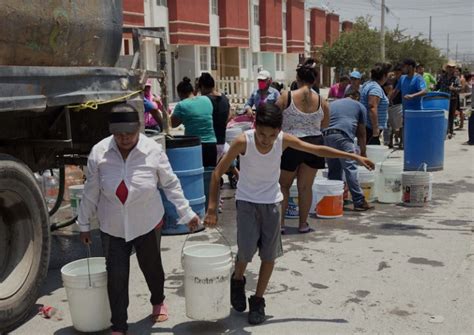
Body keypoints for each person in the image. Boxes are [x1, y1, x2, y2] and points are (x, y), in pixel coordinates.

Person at [203, 103, 374, 325]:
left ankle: (258, 300)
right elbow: (217, 173)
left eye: (272, 135)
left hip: (272, 204)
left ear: (279, 131)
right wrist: (211, 209)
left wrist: (353, 156)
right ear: (255, 127)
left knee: (269, 255)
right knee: (245, 251)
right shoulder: (243, 141)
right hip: (246, 203)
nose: (266, 140)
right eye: (262, 134)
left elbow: (317, 150)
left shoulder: (283, 140)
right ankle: (237, 279)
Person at [78, 103, 200, 335]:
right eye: (118, 134)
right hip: (112, 224)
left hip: (147, 221)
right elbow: (90, 191)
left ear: (138, 129)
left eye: (129, 134)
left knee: (152, 266)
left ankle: (158, 300)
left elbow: (170, 184)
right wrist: (84, 224)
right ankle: (119, 325)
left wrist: (187, 213)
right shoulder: (99, 153)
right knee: (116, 275)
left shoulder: (152, 150)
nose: (124, 139)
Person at [276, 59, 330, 233]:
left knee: (283, 186)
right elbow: (325, 124)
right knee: (305, 187)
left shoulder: (287, 96)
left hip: (290, 144)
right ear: (314, 80)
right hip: (314, 144)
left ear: (297, 78)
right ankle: (303, 224)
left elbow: (273, 118)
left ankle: (281, 224)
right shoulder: (322, 101)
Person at [324, 90, 373, 211]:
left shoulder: (333, 104)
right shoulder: (360, 106)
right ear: (356, 97)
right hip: (342, 137)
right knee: (350, 168)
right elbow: (361, 133)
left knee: (334, 169)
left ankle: (335, 199)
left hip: (326, 135)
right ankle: (359, 201)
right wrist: (363, 152)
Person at [171, 77, 217, 167]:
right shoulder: (206, 100)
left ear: (180, 94)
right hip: (211, 144)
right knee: (210, 174)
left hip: (194, 145)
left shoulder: (182, 105)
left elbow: (172, 124)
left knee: (196, 175)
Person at [198, 72, 230, 161]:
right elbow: (229, 116)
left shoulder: (205, 100)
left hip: (209, 143)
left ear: (202, 87)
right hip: (222, 142)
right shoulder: (224, 98)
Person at [360, 63, 392, 145]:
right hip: (370, 128)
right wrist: (375, 128)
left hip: (366, 125)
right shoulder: (375, 88)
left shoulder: (367, 84)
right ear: (384, 75)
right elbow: (372, 107)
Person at [435, 60, 461, 138]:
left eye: (452, 67)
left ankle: (450, 131)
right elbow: (438, 86)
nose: (450, 69)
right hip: (442, 98)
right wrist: (434, 88)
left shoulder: (456, 78)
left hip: (452, 98)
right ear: (446, 68)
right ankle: (443, 130)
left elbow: (459, 89)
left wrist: (453, 88)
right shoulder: (442, 77)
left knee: (451, 115)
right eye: (449, 67)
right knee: (443, 114)